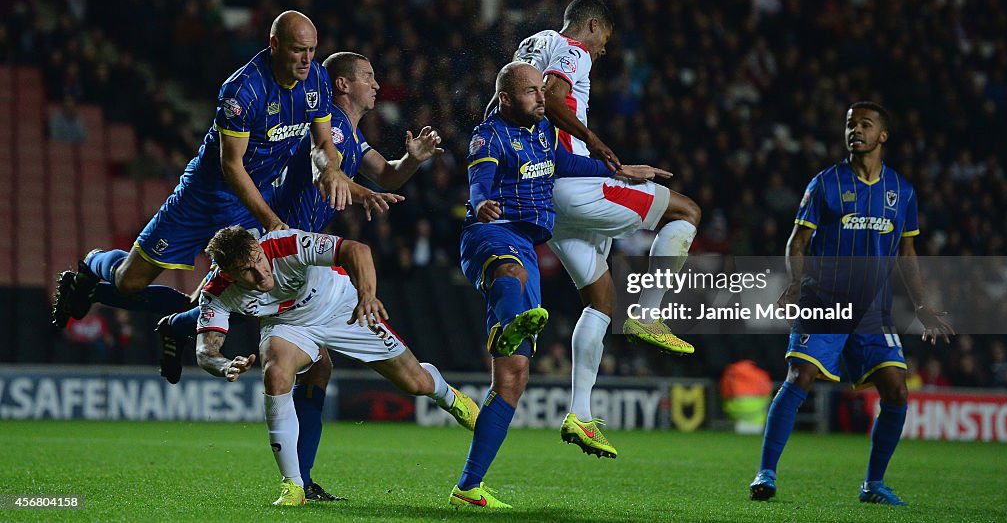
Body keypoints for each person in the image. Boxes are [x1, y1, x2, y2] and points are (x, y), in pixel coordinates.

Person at [450, 63, 668, 509]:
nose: (541, 98)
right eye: (531, 92)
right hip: (492, 235)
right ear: (507, 99)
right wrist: (480, 202)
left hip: (527, 243)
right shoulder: (488, 136)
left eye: (541, 91)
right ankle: (508, 323)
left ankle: (468, 487)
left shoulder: (543, 132)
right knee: (513, 273)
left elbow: (570, 163)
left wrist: (621, 171)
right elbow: (479, 181)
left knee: (513, 379)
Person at [154, 51, 441, 383]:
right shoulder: (330, 126)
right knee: (241, 306)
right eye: (368, 76)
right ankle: (163, 318)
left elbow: (388, 175)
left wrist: (412, 159)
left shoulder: (350, 134)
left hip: (296, 236)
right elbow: (324, 166)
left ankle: (176, 326)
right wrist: (359, 192)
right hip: (276, 233)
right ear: (343, 84)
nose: (376, 84)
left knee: (234, 306)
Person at [52, 11, 351, 327]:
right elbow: (232, 166)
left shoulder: (317, 80)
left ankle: (148, 317)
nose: (306, 59)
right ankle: (91, 265)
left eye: (312, 50)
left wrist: (330, 170)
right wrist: (273, 223)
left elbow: (322, 145)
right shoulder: (243, 91)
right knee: (129, 281)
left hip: (250, 203)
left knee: (211, 305)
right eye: (297, 50)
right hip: (204, 196)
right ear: (275, 44)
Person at [511, 0, 702, 457]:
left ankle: (578, 413)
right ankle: (649, 314)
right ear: (592, 25)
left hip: (538, 185)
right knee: (686, 212)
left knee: (600, 299)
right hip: (570, 184)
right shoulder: (573, 50)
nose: (603, 52)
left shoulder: (530, 45)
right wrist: (601, 151)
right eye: (605, 41)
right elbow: (553, 99)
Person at [749, 102, 953, 506]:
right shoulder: (824, 184)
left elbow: (907, 253)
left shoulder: (902, 192)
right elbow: (798, 241)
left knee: (896, 389)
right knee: (800, 375)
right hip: (825, 301)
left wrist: (922, 306)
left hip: (874, 312)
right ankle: (766, 472)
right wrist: (794, 282)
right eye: (850, 124)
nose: (855, 131)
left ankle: (873, 485)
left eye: (865, 124)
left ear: (882, 135)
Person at [197, 225, 478, 506]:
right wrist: (223, 366)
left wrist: (367, 294)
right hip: (291, 325)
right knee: (276, 372)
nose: (260, 273)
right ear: (227, 273)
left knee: (416, 383)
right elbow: (206, 351)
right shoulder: (217, 292)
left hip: (343, 304)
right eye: (246, 271)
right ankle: (293, 485)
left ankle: (451, 397)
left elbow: (357, 250)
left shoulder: (286, 245)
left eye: (258, 260)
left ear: (259, 247)